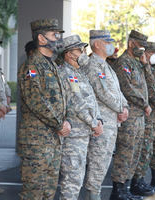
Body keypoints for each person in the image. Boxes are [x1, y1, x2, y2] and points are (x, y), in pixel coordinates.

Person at [18, 18, 71, 199]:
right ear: (41, 39)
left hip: (53, 141)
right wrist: (60, 124)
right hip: (37, 143)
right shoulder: (32, 66)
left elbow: (64, 98)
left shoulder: (52, 65)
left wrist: (67, 120)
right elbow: (36, 101)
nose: (58, 39)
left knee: (48, 192)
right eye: (54, 35)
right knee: (33, 192)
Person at [82, 30, 129, 200]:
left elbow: (116, 90)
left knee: (104, 162)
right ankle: (93, 195)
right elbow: (102, 92)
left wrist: (125, 106)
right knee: (97, 161)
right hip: (101, 123)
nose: (111, 45)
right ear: (97, 44)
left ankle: (95, 194)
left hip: (111, 122)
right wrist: (120, 108)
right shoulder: (93, 65)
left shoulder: (106, 65)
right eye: (107, 41)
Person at [58, 34, 104, 200]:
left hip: (83, 133)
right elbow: (77, 103)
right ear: (69, 53)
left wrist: (98, 119)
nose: (83, 52)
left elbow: (91, 99)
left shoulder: (79, 73)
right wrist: (93, 123)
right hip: (74, 136)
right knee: (71, 180)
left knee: (77, 178)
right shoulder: (65, 73)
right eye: (80, 49)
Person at [111, 30, 150, 200]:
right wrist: (145, 103)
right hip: (130, 116)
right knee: (125, 152)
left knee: (135, 152)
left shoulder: (136, 63)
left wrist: (145, 64)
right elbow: (127, 88)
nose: (142, 49)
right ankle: (118, 190)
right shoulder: (123, 63)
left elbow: (148, 83)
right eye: (140, 45)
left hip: (139, 115)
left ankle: (126, 188)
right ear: (131, 43)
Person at [131, 42, 155, 197]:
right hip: (148, 115)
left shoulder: (152, 70)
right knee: (144, 149)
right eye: (150, 53)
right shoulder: (144, 68)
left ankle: (141, 180)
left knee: (148, 149)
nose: (154, 56)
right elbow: (152, 91)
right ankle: (137, 181)